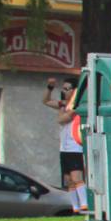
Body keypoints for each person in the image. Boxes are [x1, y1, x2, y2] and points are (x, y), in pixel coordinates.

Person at [44, 75, 87, 212]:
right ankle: (75, 206)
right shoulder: (64, 104)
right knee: (68, 179)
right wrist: (50, 88)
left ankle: (85, 204)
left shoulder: (76, 106)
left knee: (77, 177)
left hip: (75, 147)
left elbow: (62, 120)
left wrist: (62, 107)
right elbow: (45, 101)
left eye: (67, 89)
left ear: (74, 91)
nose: (64, 92)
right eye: (63, 89)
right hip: (64, 147)